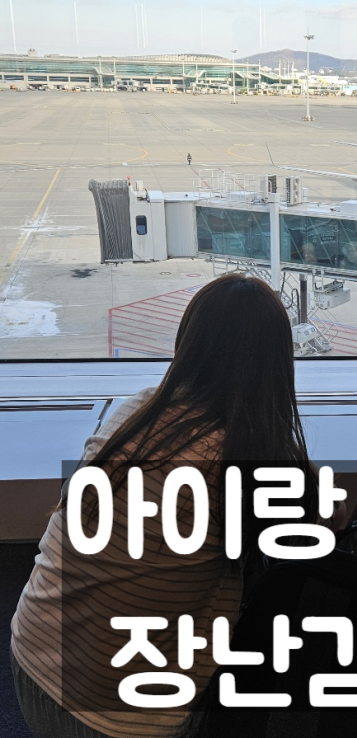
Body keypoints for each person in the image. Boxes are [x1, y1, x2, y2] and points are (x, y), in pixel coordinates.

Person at [10, 274, 331, 738]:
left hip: (31, 656)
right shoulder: (239, 462)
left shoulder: (136, 410)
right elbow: (323, 529)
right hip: (119, 718)